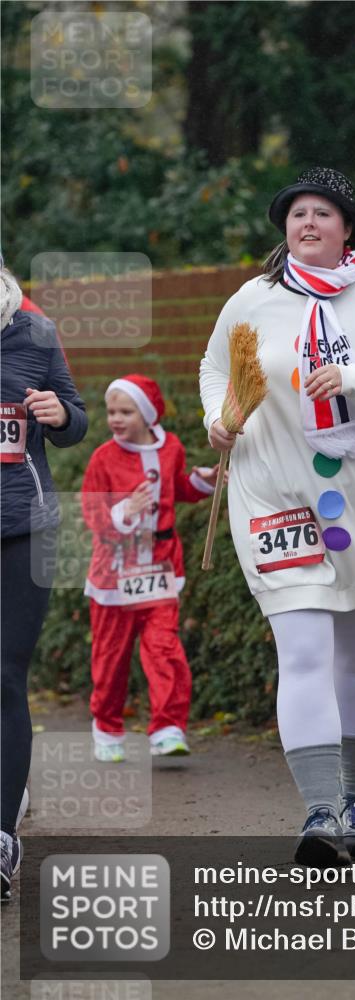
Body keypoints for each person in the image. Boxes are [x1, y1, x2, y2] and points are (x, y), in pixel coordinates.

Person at [200, 167, 355, 866]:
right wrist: (218, 418)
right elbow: (215, 366)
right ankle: (320, 811)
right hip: (271, 488)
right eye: (297, 213)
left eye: (323, 214)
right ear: (284, 227)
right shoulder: (253, 298)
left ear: (346, 230)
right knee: (302, 647)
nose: (307, 223)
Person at [1, 264, 88, 901]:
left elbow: (77, 418)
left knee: (4, 675)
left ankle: (1, 836)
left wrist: (59, 415)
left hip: (21, 529)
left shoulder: (33, 332)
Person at [81, 374, 219, 762]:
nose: (116, 419)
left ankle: (168, 728)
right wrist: (126, 509)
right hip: (114, 575)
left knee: (164, 648)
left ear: (147, 413)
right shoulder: (102, 459)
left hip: (159, 569)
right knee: (112, 657)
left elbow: (178, 489)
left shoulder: (171, 447)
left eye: (126, 411)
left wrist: (201, 481)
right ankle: (107, 729)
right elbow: (93, 514)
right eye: (111, 412)